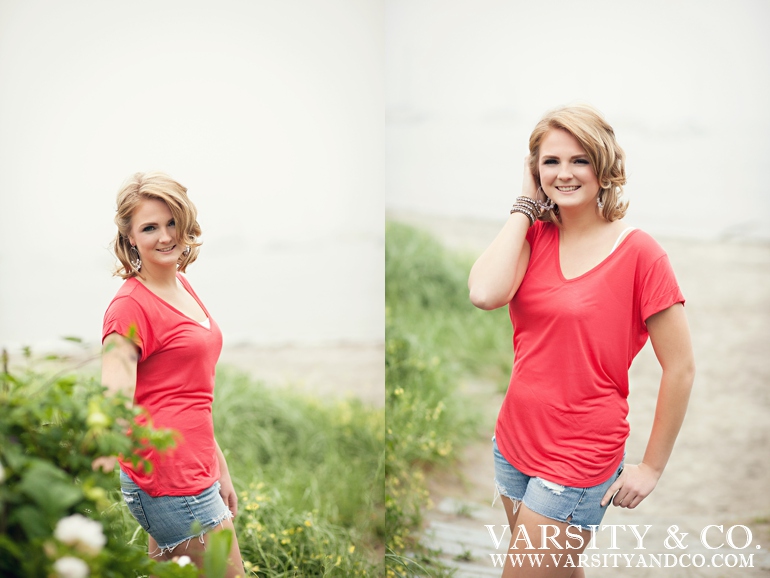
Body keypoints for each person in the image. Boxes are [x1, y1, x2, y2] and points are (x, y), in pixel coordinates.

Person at [468, 104, 695, 578]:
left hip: (578, 456)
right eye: (551, 161)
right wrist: (523, 207)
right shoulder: (533, 237)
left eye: (579, 160)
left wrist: (651, 468)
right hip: (513, 443)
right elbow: (484, 293)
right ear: (534, 170)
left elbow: (681, 367)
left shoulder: (640, 253)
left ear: (603, 167)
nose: (564, 173)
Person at [96, 172, 245, 575]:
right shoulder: (129, 307)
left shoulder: (181, 284)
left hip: (195, 471)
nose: (165, 237)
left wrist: (220, 470)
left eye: (171, 222)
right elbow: (113, 407)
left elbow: (191, 395)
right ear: (130, 238)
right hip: (167, 482)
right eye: (149, 227)